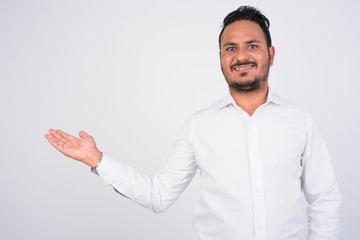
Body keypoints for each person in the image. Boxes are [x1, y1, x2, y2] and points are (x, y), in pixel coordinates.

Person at [45, 6, 341, 240]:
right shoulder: (199, 125)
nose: (241, 56)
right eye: (230, 48)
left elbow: (324, 201)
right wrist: (96, 159)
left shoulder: (301, 121)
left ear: (270, 55)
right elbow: (158, 196)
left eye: (252, 46)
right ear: (221, 58)